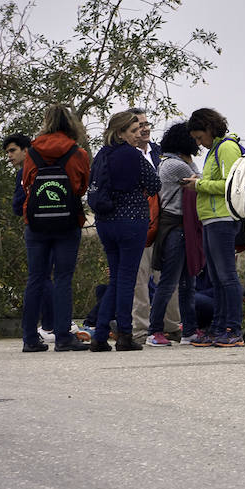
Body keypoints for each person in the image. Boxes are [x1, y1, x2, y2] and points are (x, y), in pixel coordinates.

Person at [20, 105, 91, 352]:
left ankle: (30, 338)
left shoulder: (32, 151)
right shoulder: (78, 152)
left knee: (36, 278)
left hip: (36, 222)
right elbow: (82, 187)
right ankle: (62, 336)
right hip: (67, 222)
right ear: (71, 124)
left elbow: (27, 182)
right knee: (63, 278)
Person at [90, 111, 161, 352]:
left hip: (105, 222)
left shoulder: (101, 155)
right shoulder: (134, 155)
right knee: (127, 279)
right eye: (132, 131)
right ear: (120, 133)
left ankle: (100, 335)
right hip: (132, 221)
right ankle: (124, 334)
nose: (138, 134)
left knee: (116, 278)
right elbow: (154, 185)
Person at [182, 108, 245, 347]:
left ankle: (232, 327)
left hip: (223, 218)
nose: (200, 143)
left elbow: (231, 183)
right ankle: (218, 327)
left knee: (227, 276)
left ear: (209, 128)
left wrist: (199, 185)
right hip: (210, 219)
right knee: (218, 277)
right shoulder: (214, 151)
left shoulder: (226, 147)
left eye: (200, 137)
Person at [146, 121, 203, 347]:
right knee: (169, 282)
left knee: (188, 282)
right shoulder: (175, 165)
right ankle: (154, 330)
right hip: (176, 227)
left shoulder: (168, 161)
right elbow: (200, 179)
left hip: (181, 226)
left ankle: (189, 330)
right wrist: (191, 163)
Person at [3, 133, 61, 344]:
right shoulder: (50, 167)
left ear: (26, 150)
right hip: (59, 225)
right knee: (51, 275)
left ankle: (46, 325)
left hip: (36, 228)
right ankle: (53, 322)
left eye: (12, 150)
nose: (9, 156)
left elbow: (18, 206)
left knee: (39, 277)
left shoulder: (24, 173)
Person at [128, 108, 179, 342]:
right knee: (139, 280)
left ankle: (171, 326)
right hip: (138, 224)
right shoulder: (125, 155)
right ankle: (140, 330)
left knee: (168, 278)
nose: (145, 128)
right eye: (139, 125)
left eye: (147, 123)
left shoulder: (161, 153)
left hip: (165, 224)